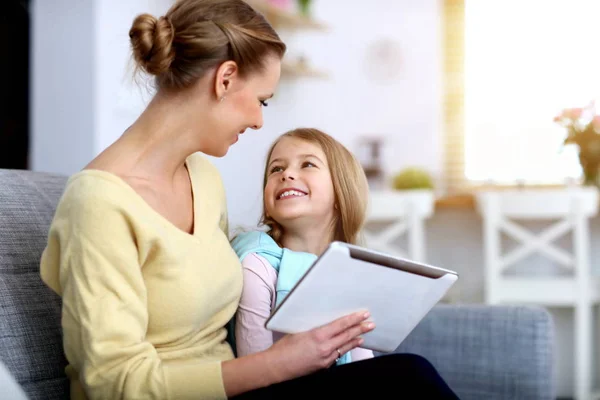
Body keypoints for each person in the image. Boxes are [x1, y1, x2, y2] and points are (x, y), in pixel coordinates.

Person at [39, 0, 460, 398]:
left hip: (249, 391)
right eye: (261, 101)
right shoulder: (98, 202)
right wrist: (281, 363)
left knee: (406, 374)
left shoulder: (202, 178)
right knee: (410, 379)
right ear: (224, 79)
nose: (260, 121)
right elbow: (112, 384)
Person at [231, 128, 375, 365]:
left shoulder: (347, 272)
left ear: (341, 192)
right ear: (268, 205)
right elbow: (255, 372)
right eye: (276, 169)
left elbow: (363, 365)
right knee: (413, 368)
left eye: (307, 164)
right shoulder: (257, 265)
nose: (286, 174)